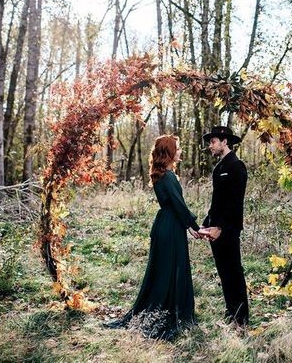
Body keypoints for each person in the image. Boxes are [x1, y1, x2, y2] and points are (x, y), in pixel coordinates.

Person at [106, 135, 201, 340]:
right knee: (170, 268)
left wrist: (188, 225)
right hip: (171, 226)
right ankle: (167, 310)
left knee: (164, 268)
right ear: (168, 152)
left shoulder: (162, 175)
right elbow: (178, 205)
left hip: (166, 224)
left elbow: (176, 205)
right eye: (177, 148)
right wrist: (193, 226)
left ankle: (164, 306)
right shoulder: (168, 177)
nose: (180, 151)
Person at [199, 126, 249, 326]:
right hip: (215, 230)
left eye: (213, 141)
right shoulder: (218, 167)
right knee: (224, 273)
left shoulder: (237, 166)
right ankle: (231, 314)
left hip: (228, 230)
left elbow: (235, 203)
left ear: (225, 141)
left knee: (233, 272)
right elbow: (217, 202)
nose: (210, 146)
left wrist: (221, 228)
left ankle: (241, 319)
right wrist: (206, 223)